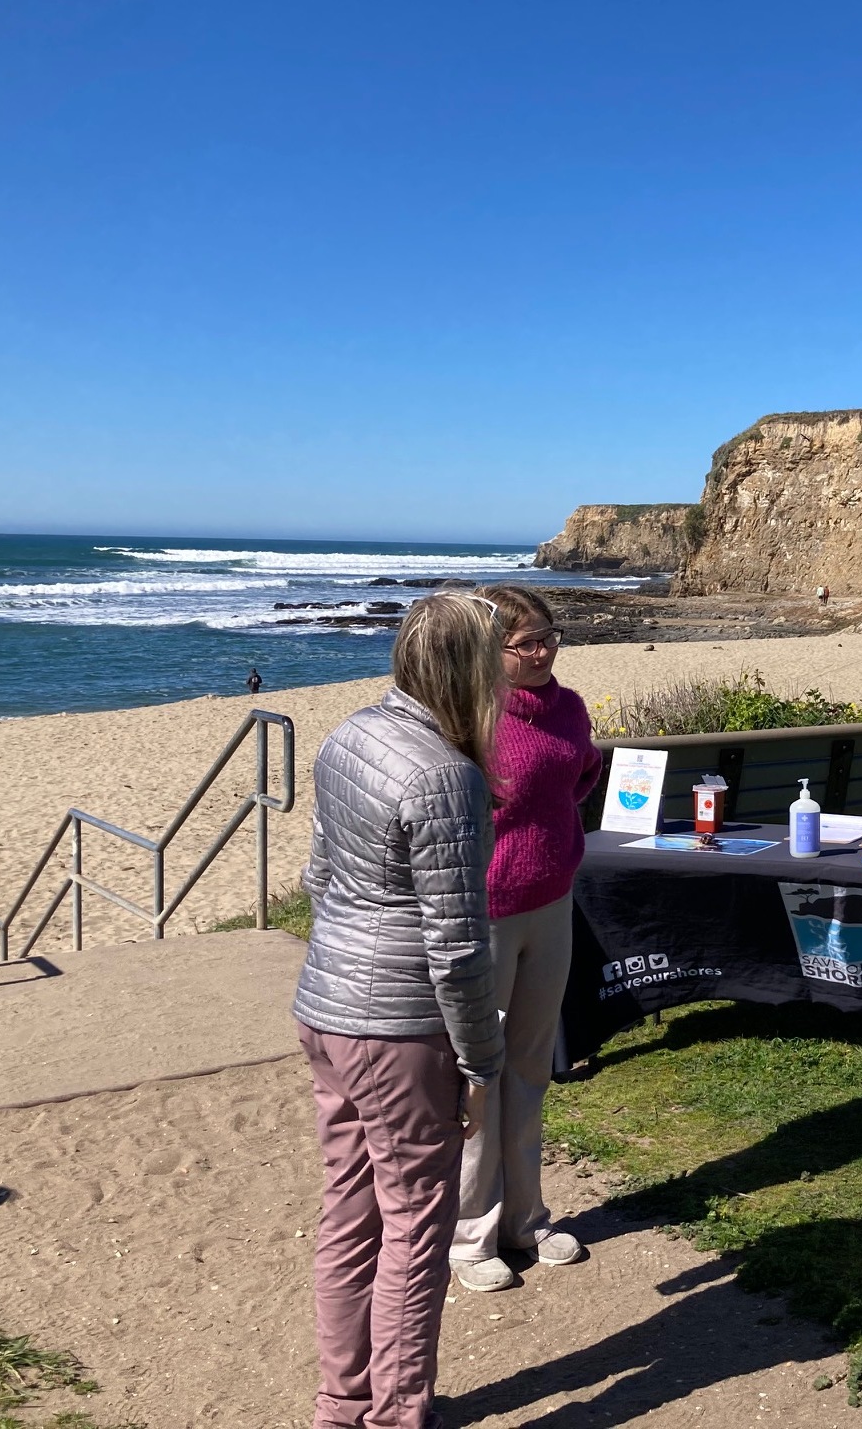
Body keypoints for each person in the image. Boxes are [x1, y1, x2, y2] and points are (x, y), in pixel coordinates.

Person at [293, 593, 506, 1429]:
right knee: (416, 1228)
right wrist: (481, 1062)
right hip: (398, 1025)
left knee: (350, 1212)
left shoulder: (350, 735)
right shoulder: (445, 775)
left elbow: (319, 876)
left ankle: (342, 1407)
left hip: (327, 1006)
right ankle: (395, 1415)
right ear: (472, 671)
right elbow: (457, 947)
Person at [449, 586, 603, 1293]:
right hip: (485, 913)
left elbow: (579, 778)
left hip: (553, 901)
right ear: (491, 650)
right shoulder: (468, 717)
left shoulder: (569, 707)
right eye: (524, 642)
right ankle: (469, 1235)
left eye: (548, 636)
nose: (540, 651)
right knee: (478, 1078)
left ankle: (526, 1219)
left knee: (530, 1068)